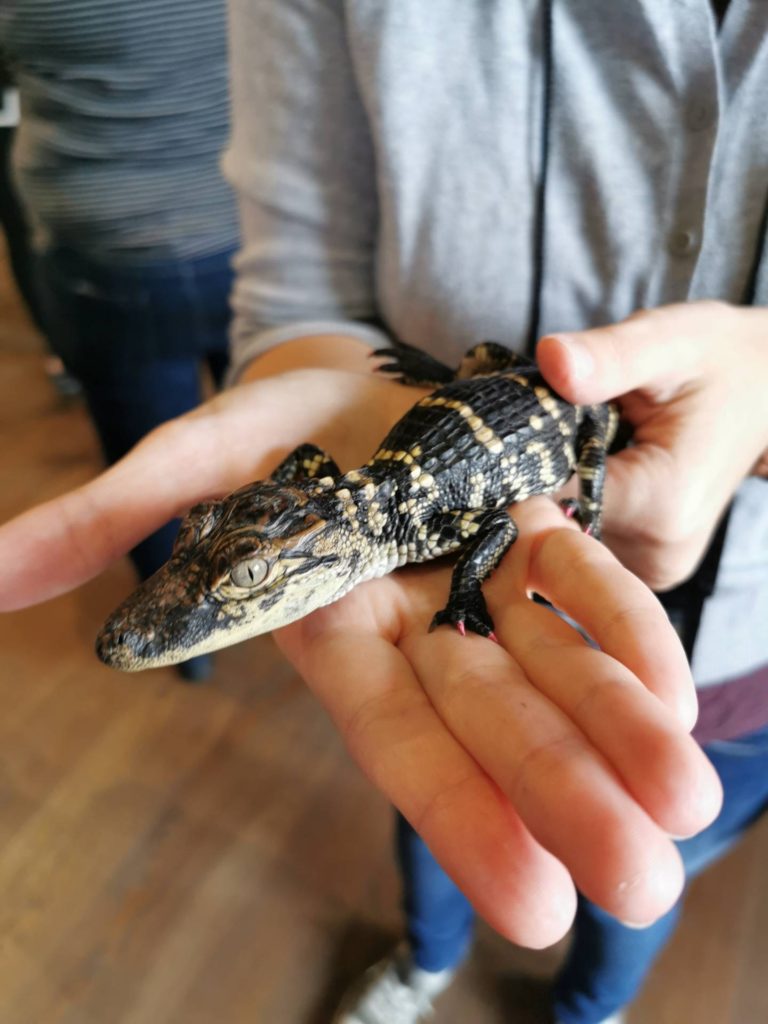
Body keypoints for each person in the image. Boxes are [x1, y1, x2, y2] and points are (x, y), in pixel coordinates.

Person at [1, 2, 767, 1022]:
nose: (206, 604)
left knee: (640, 860)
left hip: (727, 623)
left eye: (244, 586)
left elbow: (494, 531)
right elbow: (298, 299)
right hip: (478, 408)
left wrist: (490, 576)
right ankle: (428, 958)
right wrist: (309, 363)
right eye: (227, 573)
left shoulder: (400, 527)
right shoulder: (337, 504)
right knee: (458, 817)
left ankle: (591, 1004)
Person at [0, 1, 239, 680]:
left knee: (144, 470)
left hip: (108, 258)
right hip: (242, 232)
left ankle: (187, 643)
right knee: (246, 442)